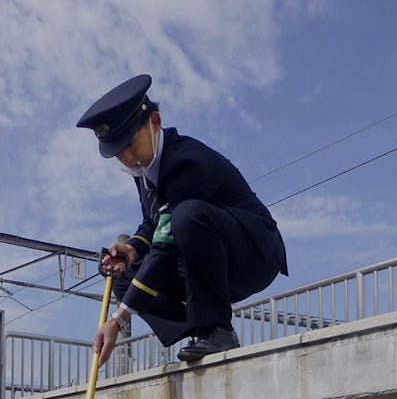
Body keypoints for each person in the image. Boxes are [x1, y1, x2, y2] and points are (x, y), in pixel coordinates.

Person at [76, 74, 288, 365]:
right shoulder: (144, 167)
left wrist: (118, 318)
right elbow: (153, 223)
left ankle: (219, 331)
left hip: (252, 255)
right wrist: (134, 249)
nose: (125, 157)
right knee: (122, 274)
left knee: (187, 216)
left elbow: (165, 244)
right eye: (117, 152)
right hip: (204, 258)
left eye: (129, 144)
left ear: (154, 122)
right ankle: (201, 329)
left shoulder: (186, 162)